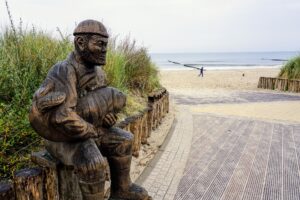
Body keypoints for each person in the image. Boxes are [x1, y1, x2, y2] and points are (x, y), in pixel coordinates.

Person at [29, 19, 151, 200]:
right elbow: (63, 117)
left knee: (124, 140)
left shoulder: (98, 72)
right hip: (62, 137)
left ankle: (122, 189)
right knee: (92, 162)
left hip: (88, 130)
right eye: (99, 44)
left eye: (106, 45)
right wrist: (92, 130)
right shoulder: (64, 69)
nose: (104, 49)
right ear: (80, 43)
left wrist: (107, 118)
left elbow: (99, 108)